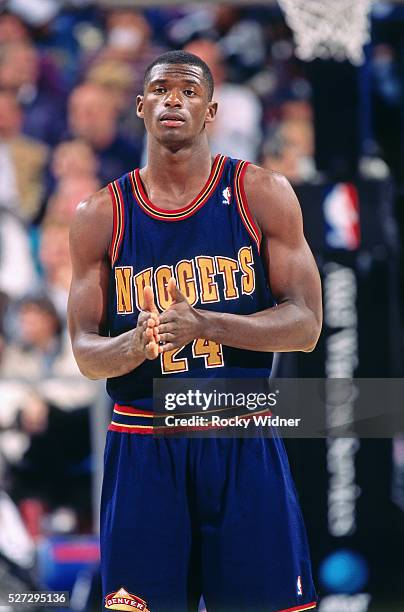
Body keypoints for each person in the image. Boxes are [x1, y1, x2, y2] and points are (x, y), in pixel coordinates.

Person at [68, 50, 322, 612]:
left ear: (211, 110)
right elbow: (86, 354)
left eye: (187, 91)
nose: (172, 101)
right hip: (144, 443)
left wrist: (206, 323)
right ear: (140, 107)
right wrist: (134, 344)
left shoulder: (262, 193)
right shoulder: (100, 214)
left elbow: (306, 325)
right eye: (160, 91)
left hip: (240, 435)